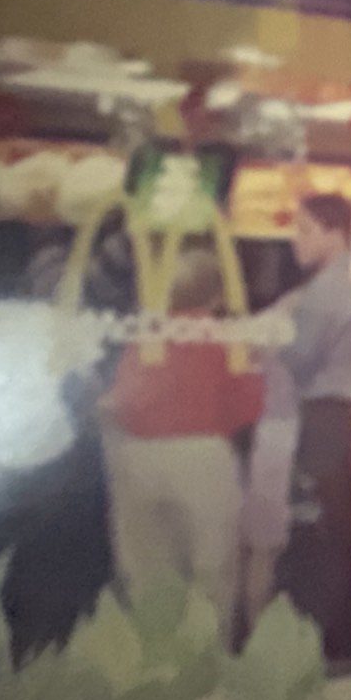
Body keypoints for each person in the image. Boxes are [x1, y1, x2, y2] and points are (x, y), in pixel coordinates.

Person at [101, 244, 262, 645]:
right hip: (203, 457)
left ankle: (153, 669)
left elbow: (122, 401)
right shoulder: (227, 337)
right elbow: (248, 405)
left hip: (138, 457)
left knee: (148, 576)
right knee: (212, 576)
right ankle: (207, 670)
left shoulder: (145, 336)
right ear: (218, 294)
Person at [243, 194, 351, 661]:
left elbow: (300, 357)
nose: (295, 241)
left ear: (333, 232)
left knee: (329, 533)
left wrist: (268, 348)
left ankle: (335, 641)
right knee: (349, 528)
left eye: (304, 230)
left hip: (327, 413)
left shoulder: (328, 288)